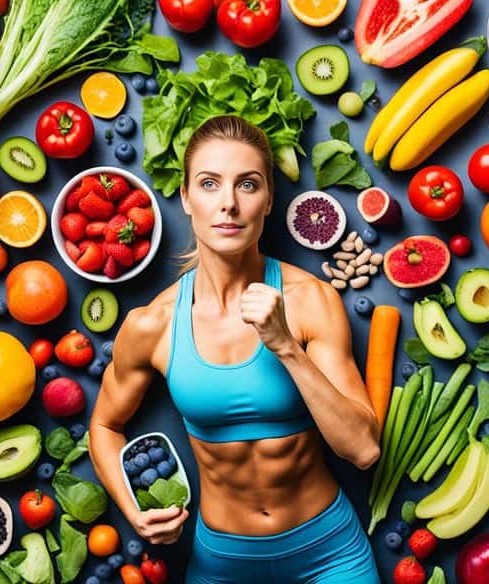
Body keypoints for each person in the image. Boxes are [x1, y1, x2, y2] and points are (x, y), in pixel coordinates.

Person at [89, 115, 382, 584]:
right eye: (209, 184)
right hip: (222, 562)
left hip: (329, 553)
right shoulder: (153, 324)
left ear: (267, 200)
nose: (228, 204)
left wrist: (285, 346)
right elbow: (104, 424)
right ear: (186, 198)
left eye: (247, 185)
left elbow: (364, 450)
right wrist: (133, 510)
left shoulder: (310, 301)